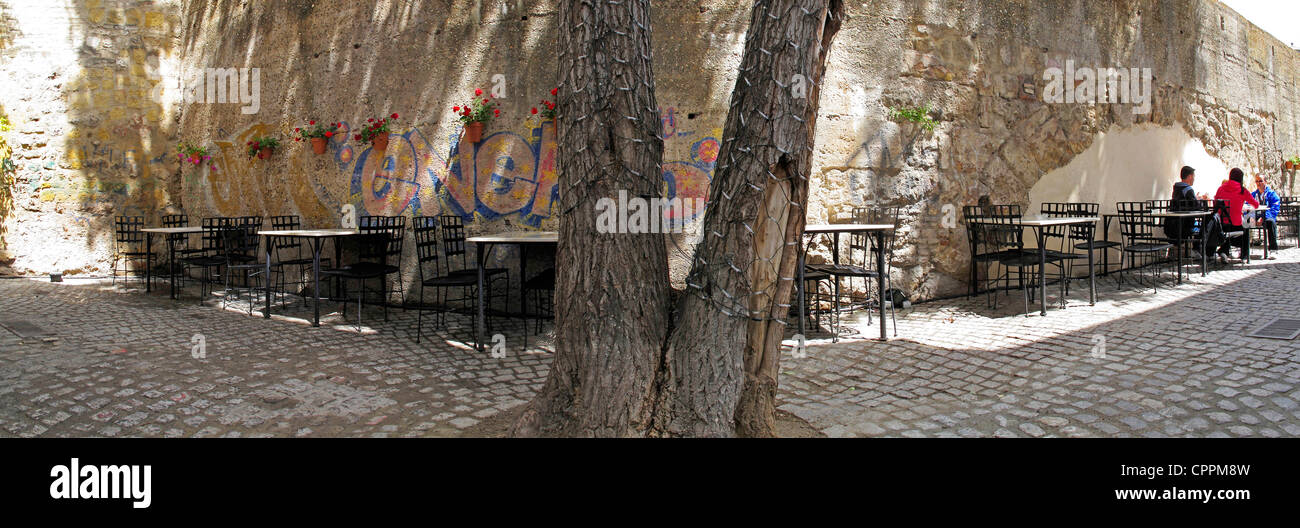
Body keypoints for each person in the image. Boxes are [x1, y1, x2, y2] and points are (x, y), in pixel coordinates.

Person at [1213, 168, 1260, 262]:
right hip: (1236, 224)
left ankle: (1224, 251)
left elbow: (1215, 204)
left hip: (1221, 224)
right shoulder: (1242, 190)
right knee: (1246, 227)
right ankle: (1244, 255)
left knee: (1227, 229)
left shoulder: (1221, 188)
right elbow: (1256, 204)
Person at [1251, 175, 1281, 254]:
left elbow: (1274, 209)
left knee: (1271, 222)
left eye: (1260, 181)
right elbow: (1248, 206)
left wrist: (1263, 217)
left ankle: (1273, 249)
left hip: (1266, 218)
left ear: (1265, 182)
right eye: (1257, 181)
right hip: (1255, 218)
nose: (1258, 183)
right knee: (1244, 222)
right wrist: (1253, 218)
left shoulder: (1272, 194)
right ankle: (1244, 252)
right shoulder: (1253, 194)